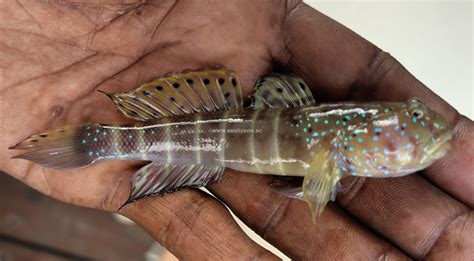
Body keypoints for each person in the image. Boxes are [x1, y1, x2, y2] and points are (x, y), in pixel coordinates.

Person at [1, 1, 472, 259]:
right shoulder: (332, 155)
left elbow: (311, 185)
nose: (422, 142)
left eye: (412, 136)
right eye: (409, 132)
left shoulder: (332, 152)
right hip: (206, 126)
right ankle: (94, 145)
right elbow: (310, 189)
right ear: (360, 135)